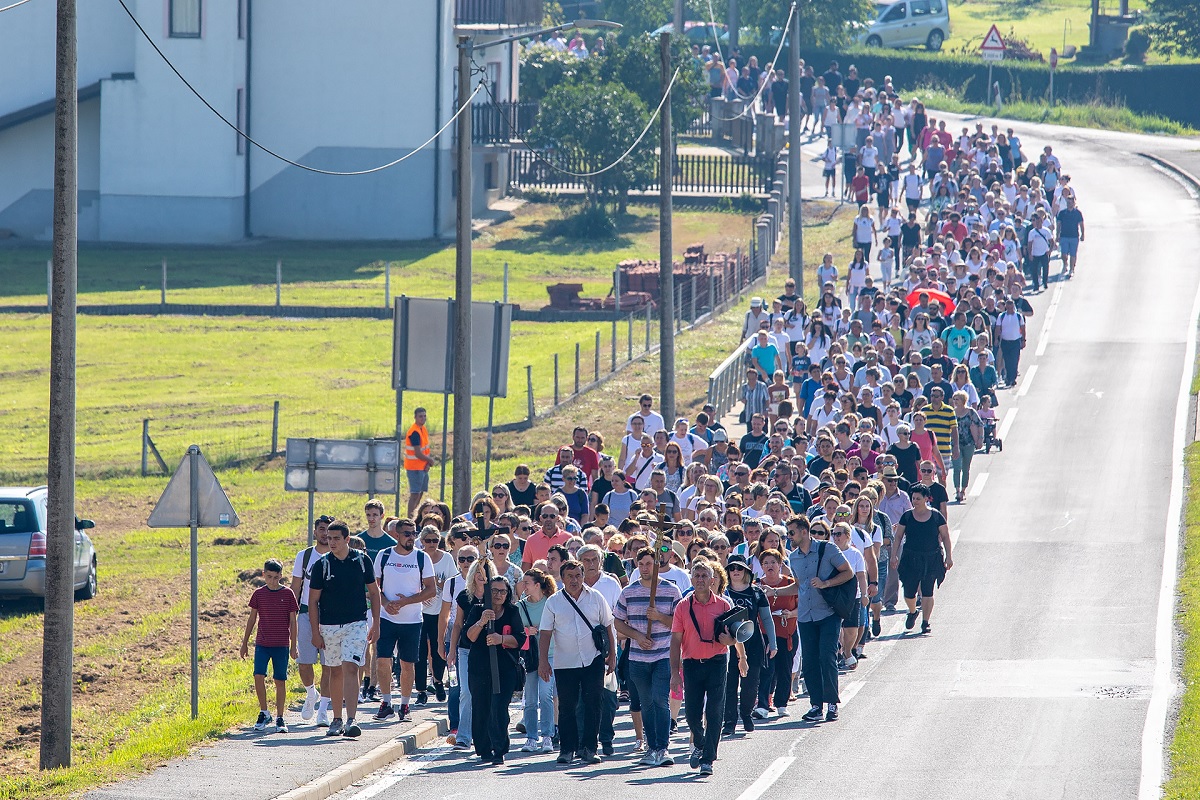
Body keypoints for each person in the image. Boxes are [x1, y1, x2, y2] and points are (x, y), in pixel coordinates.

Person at [767, 515, 854, 722]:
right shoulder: (794, 557)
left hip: (828, 613)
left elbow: (848, 573)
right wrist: (775, 592)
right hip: (806, 615)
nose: (788, 537)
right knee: (810, 662)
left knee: (827, 657)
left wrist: (826, 583)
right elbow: (799, 585)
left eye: (792, 532)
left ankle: (832, 703)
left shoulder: (828, 549)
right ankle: (816, 705)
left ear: (804, 532)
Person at [538, 559, 616, 766]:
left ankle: (590, 748)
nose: (574, 580)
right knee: (567, 707)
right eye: (570, 576)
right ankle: (567, 749)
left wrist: (613, 656)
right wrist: (543, 661)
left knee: (593, 704)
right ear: (562, 579)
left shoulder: (596, 597)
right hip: (565, 662)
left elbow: (609, 627)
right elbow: (545, 634)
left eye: (578, 576)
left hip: (593, 659)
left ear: (583, 576)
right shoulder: (553, 602)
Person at [308, 521, 382, 738]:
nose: (331, 542)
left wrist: (376, 623)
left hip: (356, 623)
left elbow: (374, 593)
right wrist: (315, 631)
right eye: (329, 538)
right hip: (329, 626)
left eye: (336, 538)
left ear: (347, 539)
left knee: (351, 667)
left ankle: (351, 720)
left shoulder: (362, 561)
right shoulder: (322, 565)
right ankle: (336, 719)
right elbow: (313, 601)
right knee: (335, 670)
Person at [614, 546, 683, 767]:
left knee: (660, 700)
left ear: (657, 565)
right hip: (637, 657)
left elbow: (679, 624)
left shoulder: (671, 591)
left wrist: (659, 616)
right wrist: (636, 635)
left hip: (663, 654)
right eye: (641, 563)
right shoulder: (629, 592)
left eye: (649, 564)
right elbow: (617, 621)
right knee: (646, 703)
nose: (645, 568)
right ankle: (651, 746)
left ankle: (662, 747)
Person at [670, 559, 734, 776]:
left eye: (704, 576)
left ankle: (708, 758)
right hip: (691, 664)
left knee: (715, 711)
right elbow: (676, 641)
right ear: (691, 579)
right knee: (691, 713)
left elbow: (734, 636)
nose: (700, 580)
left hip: (717, 662)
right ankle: (699, 741)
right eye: (696, 576)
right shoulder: (682, 606)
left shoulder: (724, 605)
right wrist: (674, 673)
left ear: (712, 580)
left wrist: (730, 641)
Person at [371, 521, 436, 723]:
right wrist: (387, 603)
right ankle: (386, 702)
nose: (411, 537)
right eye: (407, 534)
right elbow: (373, 588)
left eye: (413, 533)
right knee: (383, 660)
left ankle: (405, 704)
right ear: (397, 535)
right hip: (386, 618)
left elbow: (431, 589)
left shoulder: (421, 557)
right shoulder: (384, 555)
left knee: (407, 664)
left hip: (412, 620)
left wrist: (405, 601)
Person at [463, 576, 527, 765]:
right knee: (481, 708)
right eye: (494, 591)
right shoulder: (477, 610)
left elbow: (520, 639)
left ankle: (499, 749)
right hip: (479, 668)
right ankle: (484, 749)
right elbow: (468, 638)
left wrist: (501, 639)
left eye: (503, 591)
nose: (498, 595)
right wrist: (482, 622)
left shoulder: (512, 611)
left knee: (498, 708)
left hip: (504, 669)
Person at [241, 558, 299, 733]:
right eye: (269, 577)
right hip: (262, 643)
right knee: (258, 675)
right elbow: (252, 619)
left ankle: (280, 717)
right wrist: (244, 643)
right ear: (263, 575)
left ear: (281, 576)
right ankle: (264, 712)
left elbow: (293, 622)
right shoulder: (259, 594)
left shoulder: (288, 594)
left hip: (281, 644)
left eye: (276, 577)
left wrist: (293, 645)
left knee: (279, 680)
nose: (273, 581)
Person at [893, 484, 953, 634]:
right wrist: (894, 555)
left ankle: (925, 622)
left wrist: (949, 557)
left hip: (931, 558)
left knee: (928, 591)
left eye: (918, 498)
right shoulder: (906, 516)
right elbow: (898, 536)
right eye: (913, 498)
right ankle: (913, 611)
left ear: (926, 498)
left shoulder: (936, 516)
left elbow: (945, 536)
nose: (915, 501)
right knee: (909, 591)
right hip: (910, 558)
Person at [292, 515, 333, 726]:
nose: (325, 534)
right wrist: (290, 614)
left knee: (329, 664)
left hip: (331, 616)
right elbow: (295, 587)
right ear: (315, 531)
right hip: (307, 613)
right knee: (304, 662)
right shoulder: (305, 556)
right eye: (322, 529)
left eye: (329, 530)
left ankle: (324, 710)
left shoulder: (339, 556)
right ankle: (311, 692)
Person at [517, 568, 556, 753]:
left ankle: (548, 736)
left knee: (546, 696)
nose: (523, 586)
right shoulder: (520, 606)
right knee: (531, 699)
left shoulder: (551, 603)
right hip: (530, 658)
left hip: (550, 655)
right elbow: (515, 631)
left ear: (537, 585)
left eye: (527, 583)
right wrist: (527, 631)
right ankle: (531, 737)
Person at [416, 524, 454, 705]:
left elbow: (452, 583)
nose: (432, 544)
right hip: (419, 612)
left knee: (439, 649)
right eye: (428, 540)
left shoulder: (446, 558)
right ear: (422, 541)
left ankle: (438, 681)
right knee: (419, 652)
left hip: (440, 612)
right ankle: (421, 689)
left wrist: (439, 584)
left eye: (435, 540)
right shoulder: (417, 557)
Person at [404, 407, 434, 517]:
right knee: (415, 494)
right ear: (415, 417)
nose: (423, 418)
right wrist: (430, 460)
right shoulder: (414, 432)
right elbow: (417, 453)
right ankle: (410, 517)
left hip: (422, 467)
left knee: (420, 493)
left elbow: (425, 449)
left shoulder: (423, 429)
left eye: (424, 416)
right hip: (414, 468)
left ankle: (415, 515)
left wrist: (427, 464)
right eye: (420, 416)